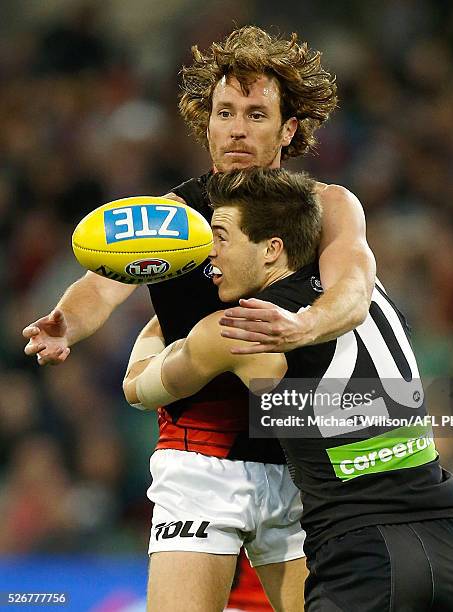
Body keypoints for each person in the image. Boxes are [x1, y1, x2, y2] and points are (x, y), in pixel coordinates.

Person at [22, 27, 376, 611]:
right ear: (205, 123)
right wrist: (66, 322)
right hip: (200, 457)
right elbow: (101, 285)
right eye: (224, 112)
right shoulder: (174, 217)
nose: (237, 129)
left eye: (256, 114)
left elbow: (355, 285)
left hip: (303, 461)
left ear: (288, 129)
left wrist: (306, 325)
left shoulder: (328, 207)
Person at [124, 167, 453, 612]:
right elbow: (398, 402)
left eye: (221, 237)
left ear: (271, 249)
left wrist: (163, 319)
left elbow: (137, 388)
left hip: (363, 556)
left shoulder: (241, 329)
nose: (210, 256)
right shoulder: (365, 293)